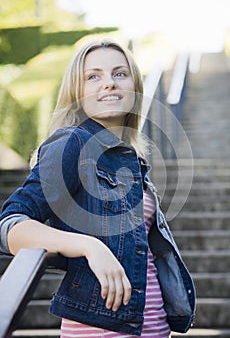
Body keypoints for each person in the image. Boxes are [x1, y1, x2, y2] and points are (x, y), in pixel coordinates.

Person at [0, 38, 195, 338]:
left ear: (134, 85)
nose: (109, 84)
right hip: (101, 330)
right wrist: (90, 247)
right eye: (93, 76)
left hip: (153, 327)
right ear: (77, 92)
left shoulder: (130, 160)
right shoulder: (72, 144)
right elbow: (11, 226)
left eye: (120, 73)